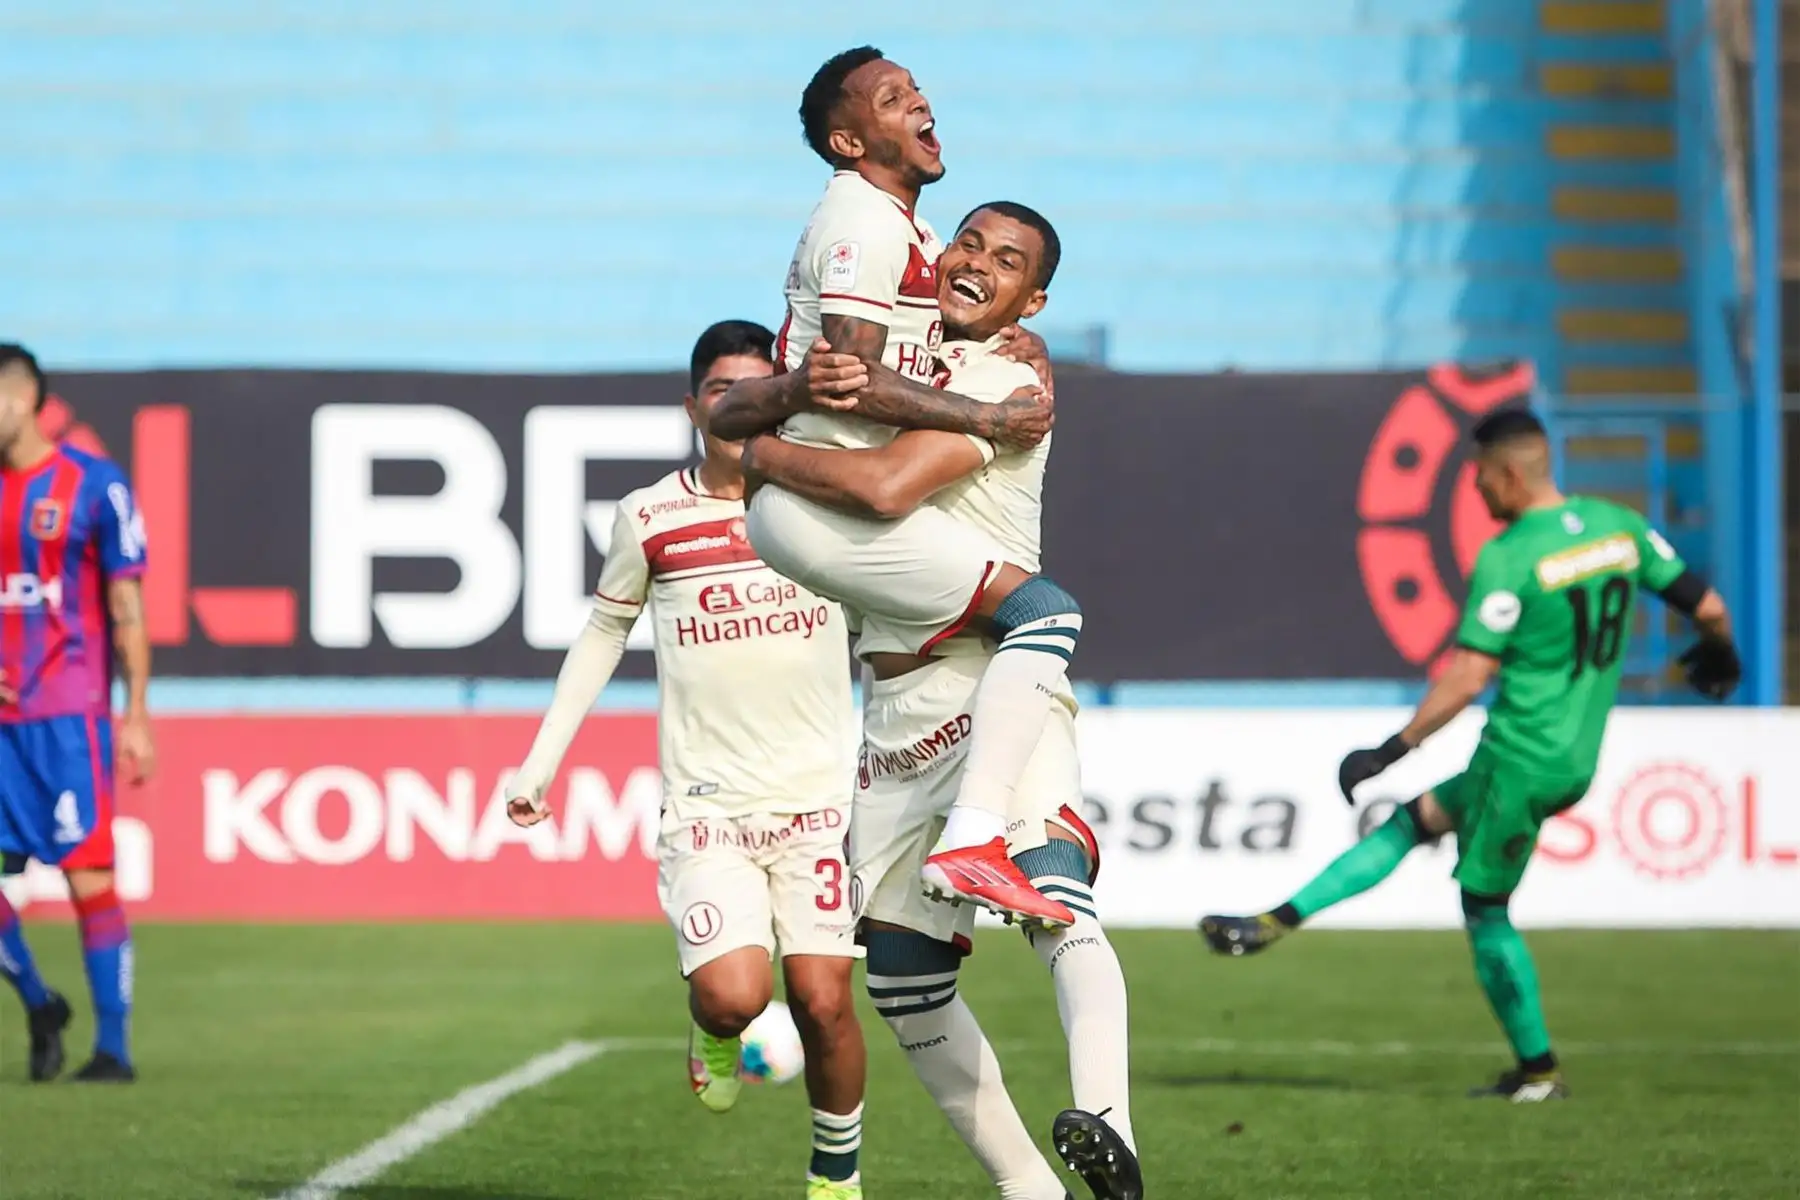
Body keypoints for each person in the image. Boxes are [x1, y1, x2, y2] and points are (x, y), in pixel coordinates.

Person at [743, 204, 1142, 1200]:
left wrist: (766, 464)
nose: (977, 264)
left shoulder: (1007, 378)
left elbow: (886, 484)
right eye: (968, 243)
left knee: (1055, 898)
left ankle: (1107, 1121)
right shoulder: (910, 355)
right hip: (893, 714)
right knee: (905, 982)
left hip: (993, 676)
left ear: (1031, 301)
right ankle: (1029, 1186)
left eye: (1007, 263)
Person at [1201, 407, 1742, 1102]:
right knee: (1414, 821)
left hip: (1521, 759)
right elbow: (1710, 609)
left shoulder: (1512, 556)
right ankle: (1275, 920)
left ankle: (1538, 1072)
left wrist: (1390, 748)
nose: (1478, 492)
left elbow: (1468, 675)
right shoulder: (1621, 528)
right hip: (1569, 755)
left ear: (1511, 472)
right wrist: (1722, 656)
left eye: (1481, 478)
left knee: (1485, 909)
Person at [708, 47, 1086, 932]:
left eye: (915, 87)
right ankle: (976, 835)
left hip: (821, 508)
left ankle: (960, 845)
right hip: (823, 502)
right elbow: (851, 374)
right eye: (891, 97)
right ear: (849, 140)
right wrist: (982, 414)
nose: (917, 99)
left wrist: (1005, 348)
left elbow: (783, 393)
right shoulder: (863, 224)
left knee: (905, 972)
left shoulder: (907, 230)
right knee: (1046, 612)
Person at [505, 322, 869, 1200]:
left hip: (819, 801)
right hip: (709, 808)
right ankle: (712, 1033)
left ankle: (836, 1179)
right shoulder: (651, 516)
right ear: (693, 405)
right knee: (734, 998)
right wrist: (540, 761)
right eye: (721, 392)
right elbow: (602, 633)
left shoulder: (824, 501)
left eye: (757, 389)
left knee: (824, 1002)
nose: (739, 407)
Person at [0, 342, 154, 1083]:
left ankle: (114, 1048)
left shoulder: (92, 485)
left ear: (25, 399)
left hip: (66, 717)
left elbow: (127, 607)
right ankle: (37, 998)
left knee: (86, 875)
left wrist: (138, 714)